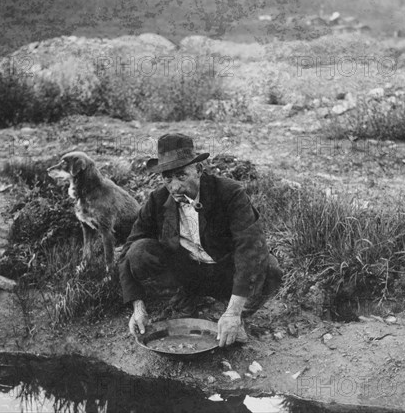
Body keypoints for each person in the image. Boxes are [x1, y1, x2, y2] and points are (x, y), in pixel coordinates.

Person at [118, 133, 282, 346]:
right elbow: (127, 250)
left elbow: (250, 247)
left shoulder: (229, 193)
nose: (174, 187)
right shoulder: (157, 200)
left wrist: (233, 312)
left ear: (199, 170)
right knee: (139, 252)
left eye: (181, 176)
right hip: (187, 273)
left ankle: (237, 317)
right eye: (168, 178)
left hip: (226, 272)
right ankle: (186, 297)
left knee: (270, 268)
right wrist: (137, 308)